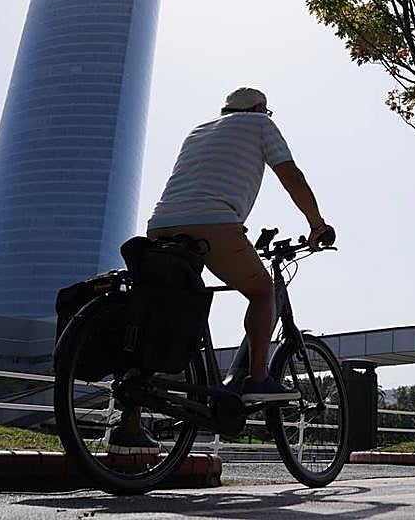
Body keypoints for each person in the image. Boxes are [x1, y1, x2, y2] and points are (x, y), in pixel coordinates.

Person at [107, 87, 333, 454]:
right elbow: (291, 175)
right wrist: (317, 224)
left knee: (161, 314)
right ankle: (258, 378)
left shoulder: (197, 130)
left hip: (161, 225)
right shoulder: (260, 123)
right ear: (260, 108)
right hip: (214, 224)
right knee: (261, 291)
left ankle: (129, 428)